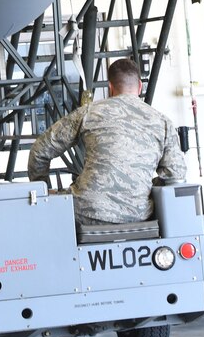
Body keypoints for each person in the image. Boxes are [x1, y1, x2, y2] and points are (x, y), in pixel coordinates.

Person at [27, 58, 186, 225]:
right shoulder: (162, 122)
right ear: (140, 86)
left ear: (110, 87)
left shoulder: (89, 113)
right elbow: (175, 174)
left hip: (84, 213)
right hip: (138, 215)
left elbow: (40, 150)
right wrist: (146, 188)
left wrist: (43, 191)